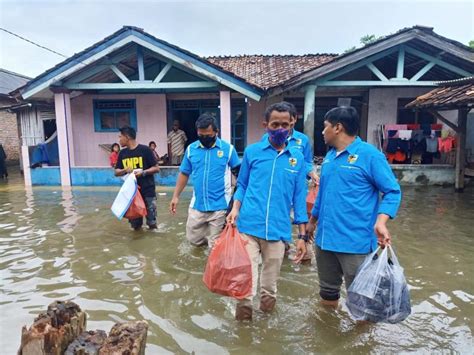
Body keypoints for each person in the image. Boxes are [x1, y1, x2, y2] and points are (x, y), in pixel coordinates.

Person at [306, 106, 401, 309]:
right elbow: (323, 194)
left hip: (355, 244)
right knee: (327, 294)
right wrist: (312, 222)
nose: (322, 132)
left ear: (338, 127)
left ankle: (364, 339)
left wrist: (381, 222)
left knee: (361, 301)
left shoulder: (370, 156)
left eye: (325, 127)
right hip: (325, 241)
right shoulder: (330, 156)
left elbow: (393, 191)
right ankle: (329, 336)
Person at [227, 102, 308, 321]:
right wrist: (235, 209)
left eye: (285, 124)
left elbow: (299, 198)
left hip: (277, 232)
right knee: (245, 287)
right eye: (275, 124)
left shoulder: (297, 159)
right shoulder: (253, 152)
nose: (280, 128)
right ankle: (243, 335)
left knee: (269, 289)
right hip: (248, 227)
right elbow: (241, 185)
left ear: (292, 123)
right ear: (265, 125)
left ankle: (266, 331)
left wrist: (302, 236)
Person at [170, 113, 240, 249]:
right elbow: (184, 173)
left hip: (220, 207)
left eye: (207, 135)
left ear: (216, 132)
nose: (204, 138)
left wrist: (236, 204)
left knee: (215, 247)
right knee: (193, 243)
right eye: (200, 135)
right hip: (197, 206)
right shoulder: (191, 150)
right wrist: (175, 196)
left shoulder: (228, 150)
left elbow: (239, 176)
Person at [114, 126, 160, 230]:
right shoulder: (122, 153)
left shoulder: (145, 150)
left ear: (127, 137)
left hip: (148, 190)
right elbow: (116, 172)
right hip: (132, 194)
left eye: (120, 137)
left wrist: (143, 172)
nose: (119, 139)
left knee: (152, 222)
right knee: (135, 225)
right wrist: (125, 170)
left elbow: (156, 168)